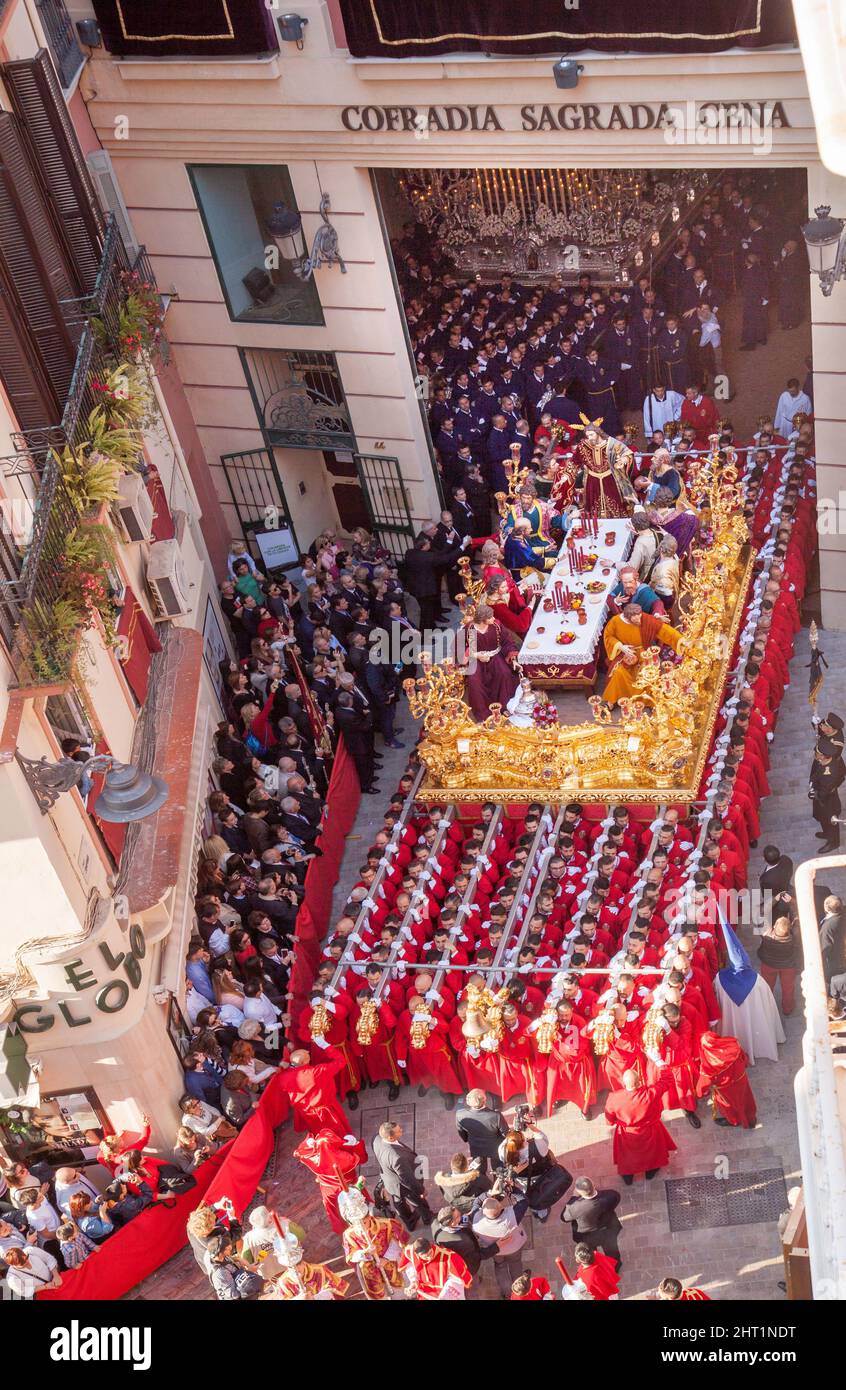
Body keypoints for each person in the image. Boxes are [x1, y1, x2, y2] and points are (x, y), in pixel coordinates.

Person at [601, 602, 683, 706]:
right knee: (618, 672)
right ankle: (613, 698)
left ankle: (647, 699)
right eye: (636, 619)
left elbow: (664, 630)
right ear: (628, 617)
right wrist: (621, 646)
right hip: (625, 653)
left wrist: (680, 639)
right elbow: (608, 636)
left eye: (640, 617)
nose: (640, 621)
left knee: (648, 672)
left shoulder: (644, 618)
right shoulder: (615, 621)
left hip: (644, 653)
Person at [604, 1070, 677, 1185]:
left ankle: (628, 1177)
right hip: (650, 1129)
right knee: (652, 1153)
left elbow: (609, 1120)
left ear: (624, 1083)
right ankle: (650, 1172)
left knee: (627, 1156)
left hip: (627, 1133)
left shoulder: (614, 1098)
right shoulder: (650, 1093)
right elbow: (668, 1080)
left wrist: (615, 1122)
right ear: (639, 1083)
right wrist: (659, 1061)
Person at [463, 603, 520, 722]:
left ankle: (504, 706)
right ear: (483, 620)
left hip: (495, 656)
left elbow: (507, 642)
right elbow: (459, 647)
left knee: (504, 673)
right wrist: (477, 655)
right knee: (474, 681)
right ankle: (483, 714)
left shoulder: (496, 626)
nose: (494, 619)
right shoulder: (470, 629)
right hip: (477, 660)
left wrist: (513, 659)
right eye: (490, 617)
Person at [372, 1120, 433, 1230]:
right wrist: (421, 1191)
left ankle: (410, 1223)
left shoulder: (376, 1139)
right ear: (390, 1137)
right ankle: (427, 1218)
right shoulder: (397, 1157)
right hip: (402, 1185)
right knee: (418, 1202)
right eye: (399, 1131)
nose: (401, 1131)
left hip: (389, 1180)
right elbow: (408, 1179)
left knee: (398, 1202)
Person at [471, 1189, 528, 1300]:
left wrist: (488, 1193)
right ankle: (519, 1289)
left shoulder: (475, 1219)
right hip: (514, 1248)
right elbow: (523, 1201)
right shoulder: (512, 1216)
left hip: (495, 1251)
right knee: (515, 1264)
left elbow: (476, 1202)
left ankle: (507, 1294)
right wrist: (511, 1189)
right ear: (501, 1208)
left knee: (500, 1267)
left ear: (482, 1211)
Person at [695, 1031, 757, 1128]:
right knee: (746, 1098)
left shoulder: (710, 1064)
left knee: (729, 1106)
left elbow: (704, 1082)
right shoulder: (732, 1044)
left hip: (726, 1090)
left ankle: (734, 1121)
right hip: (741, 1080)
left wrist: (699, 1093)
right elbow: (744, 1058)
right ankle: (750, 1118)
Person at [560, 1177, 623, 1269]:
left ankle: (596, 1268)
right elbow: (616, 1199)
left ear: (579, 1192)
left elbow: (564, 1218)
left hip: (587, 1236)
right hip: (608, 1230)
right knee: (612, 1251)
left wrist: (573, 1197)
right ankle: (615, 1267)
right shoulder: (610, 1195)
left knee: (591, 1253)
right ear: (594, 1185)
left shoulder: (574, 1207)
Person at [399, 1235, 473, 1299]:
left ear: (431, 1246)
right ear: (417, 1254)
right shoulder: (410, 1252)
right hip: (423, 1292)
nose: (429, 1258)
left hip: (443, 1293)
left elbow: (456, 1279)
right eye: (425, 1257)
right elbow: (410, 1267)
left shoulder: (448, 1256)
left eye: (430, 1253)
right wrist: (413, 1281)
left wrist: (445, 1294)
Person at [455, 1089, 507, 1175]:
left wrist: (468, 1140)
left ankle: (482, 1184)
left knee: (479, 1170)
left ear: (468, 1102)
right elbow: (505, 1134)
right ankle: (498, 1183)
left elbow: (462, 1133)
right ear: (485, 1101)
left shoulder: (460, 1115)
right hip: (494, 1147)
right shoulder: (496, 1115)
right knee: (498, 1169)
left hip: (476, 1146)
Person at [756, 915, 801, 1017]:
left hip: (768, 965)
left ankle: (766, 1007)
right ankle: (787, 1009)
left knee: (767, 987)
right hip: (788, 966)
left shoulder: (766, 936)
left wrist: (776, 899)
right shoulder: (794, 939)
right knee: (788, 989)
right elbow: (797, 921)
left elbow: (762, 913)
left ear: (775, 926)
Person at [432, 1204, 484, 1285]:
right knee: (472, 1278)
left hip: (454, 1260)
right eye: (459, 1216)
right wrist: (495, 1247)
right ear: (452, 1223)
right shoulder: (462, 1240)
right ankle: (474, 1282)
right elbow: (475, 1254)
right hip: (467, 1265)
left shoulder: (435, 1224)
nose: (462, 1215)